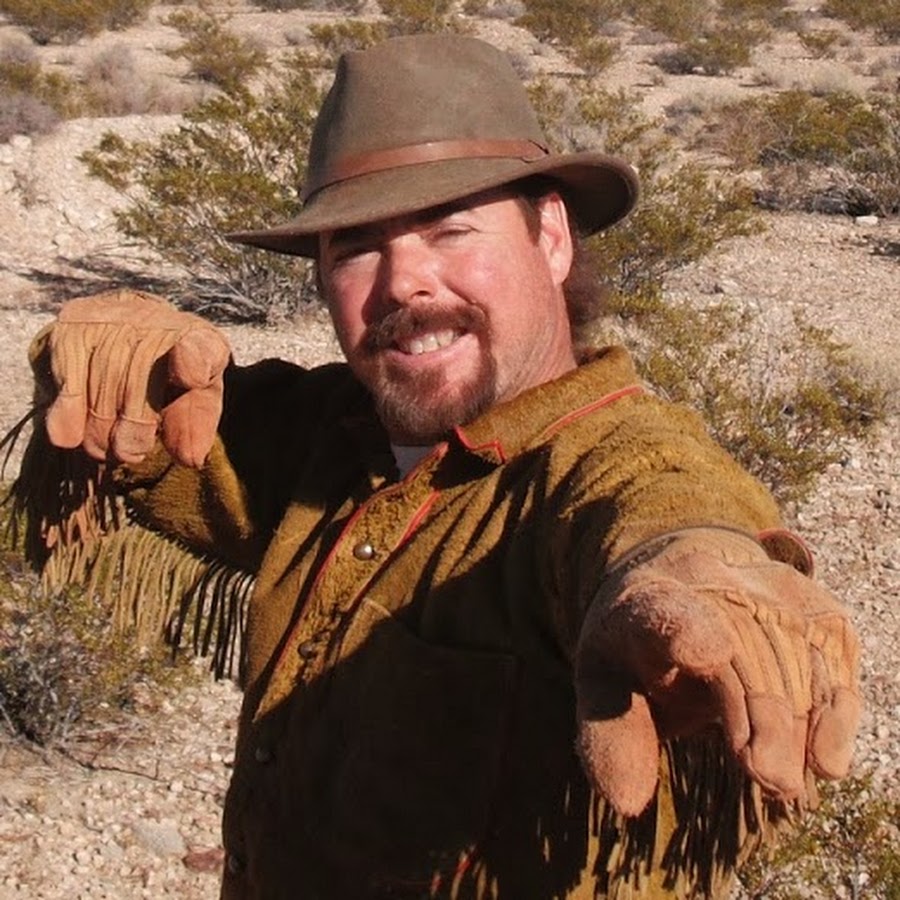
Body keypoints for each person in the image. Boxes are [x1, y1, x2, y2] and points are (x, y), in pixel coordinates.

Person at [14, 33, 860, 899]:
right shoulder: (330, 435)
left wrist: (693, 565)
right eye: (356, 247)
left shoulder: (608, 461)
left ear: (552, 238)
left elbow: (663, 503)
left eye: (451, 229)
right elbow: (162, 426)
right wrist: (107, 351)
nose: (403, 283)